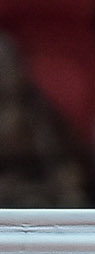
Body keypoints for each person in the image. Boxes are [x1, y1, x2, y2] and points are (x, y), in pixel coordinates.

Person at [0, 33, 89, 207]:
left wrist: (65, 181)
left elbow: (72, 168)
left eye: (4, 64)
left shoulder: (42, 118)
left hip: (41, 200)